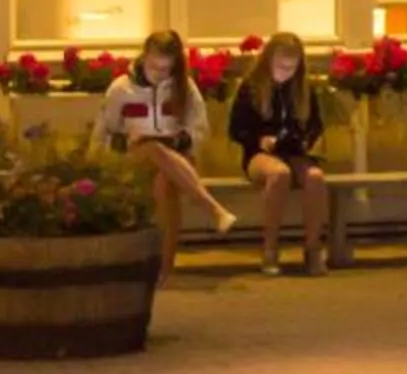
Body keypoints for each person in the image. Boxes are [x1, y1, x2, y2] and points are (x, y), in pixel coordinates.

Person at [103, 29, 237, 280]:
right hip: (136, 154)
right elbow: (108, 128)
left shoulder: (184, 87)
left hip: (177, 155)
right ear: (144, 57)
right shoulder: (121, 88)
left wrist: (182, 138)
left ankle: (164, 268)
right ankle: (214, 209)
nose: (158, 74)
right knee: (153, 148)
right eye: (154, 67)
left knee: (165, 184)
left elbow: (200, 127)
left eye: (165, 69)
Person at [229, 31, 331, 276]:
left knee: (315, 178)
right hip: (259, 153)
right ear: (268, 62)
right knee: (279, 174)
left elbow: (315, 125)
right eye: (280, 66)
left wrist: (305, 140)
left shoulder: (304, 89)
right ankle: (270, 248)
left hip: (293, 151)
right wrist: (259, 139)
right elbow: (236, 129)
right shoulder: (252, 87)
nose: (285, 72)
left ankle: (313, 248)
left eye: (291, 67)